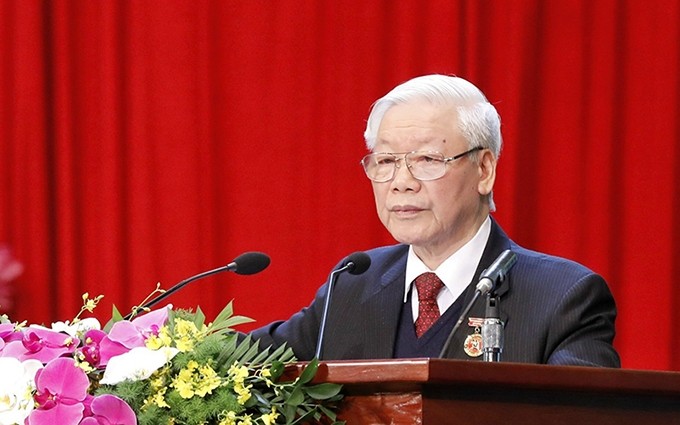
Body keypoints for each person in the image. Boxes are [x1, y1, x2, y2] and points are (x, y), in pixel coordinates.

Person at [252, 74, 620, 367]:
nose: (401, 183)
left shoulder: (562, 297)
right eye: (385, 162)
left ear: (484, 169)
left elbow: (584, 411)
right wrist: (193, 341)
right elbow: (252, 359)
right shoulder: (354, 284)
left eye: (427, 160)